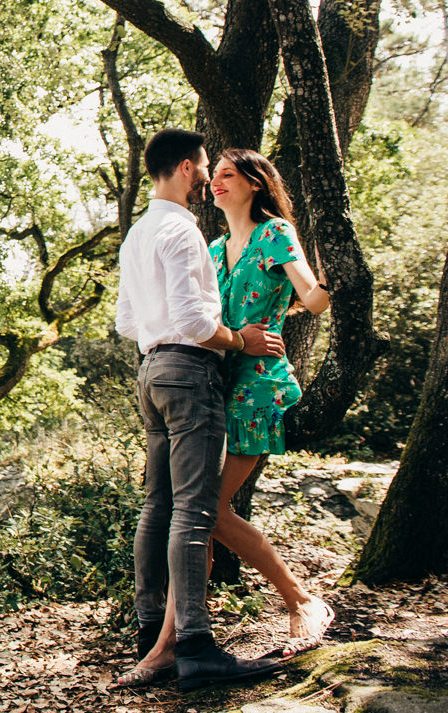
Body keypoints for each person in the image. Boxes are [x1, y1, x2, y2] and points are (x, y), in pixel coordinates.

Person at [117, 148, 335, 687]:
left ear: (255, 184)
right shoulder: (212, 248)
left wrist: (313, 292)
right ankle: (180, 639)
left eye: (228, 175)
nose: (216, 183)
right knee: (201, 514)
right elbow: (205, 313)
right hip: (216, 378)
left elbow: (311, 295)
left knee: (204, 511)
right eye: (213, 175)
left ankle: (297, 603)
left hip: (256, 383)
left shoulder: (276, 233)